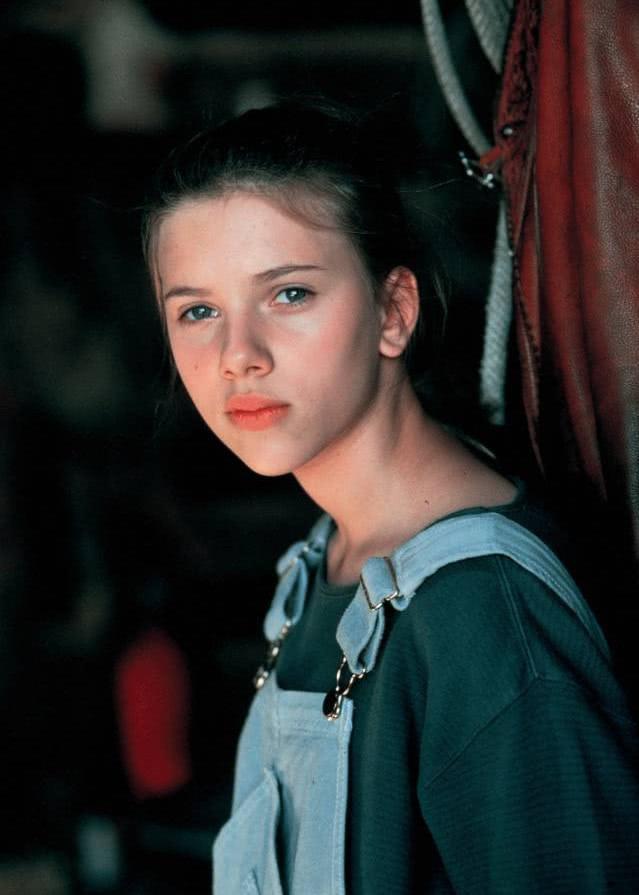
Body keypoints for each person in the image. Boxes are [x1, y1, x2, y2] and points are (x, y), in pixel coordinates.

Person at [143, 102, 639, 894]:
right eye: (198, 310)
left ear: (393, 311)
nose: (238, 355)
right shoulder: (326, 559)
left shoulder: (484, 614)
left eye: (289, 293)